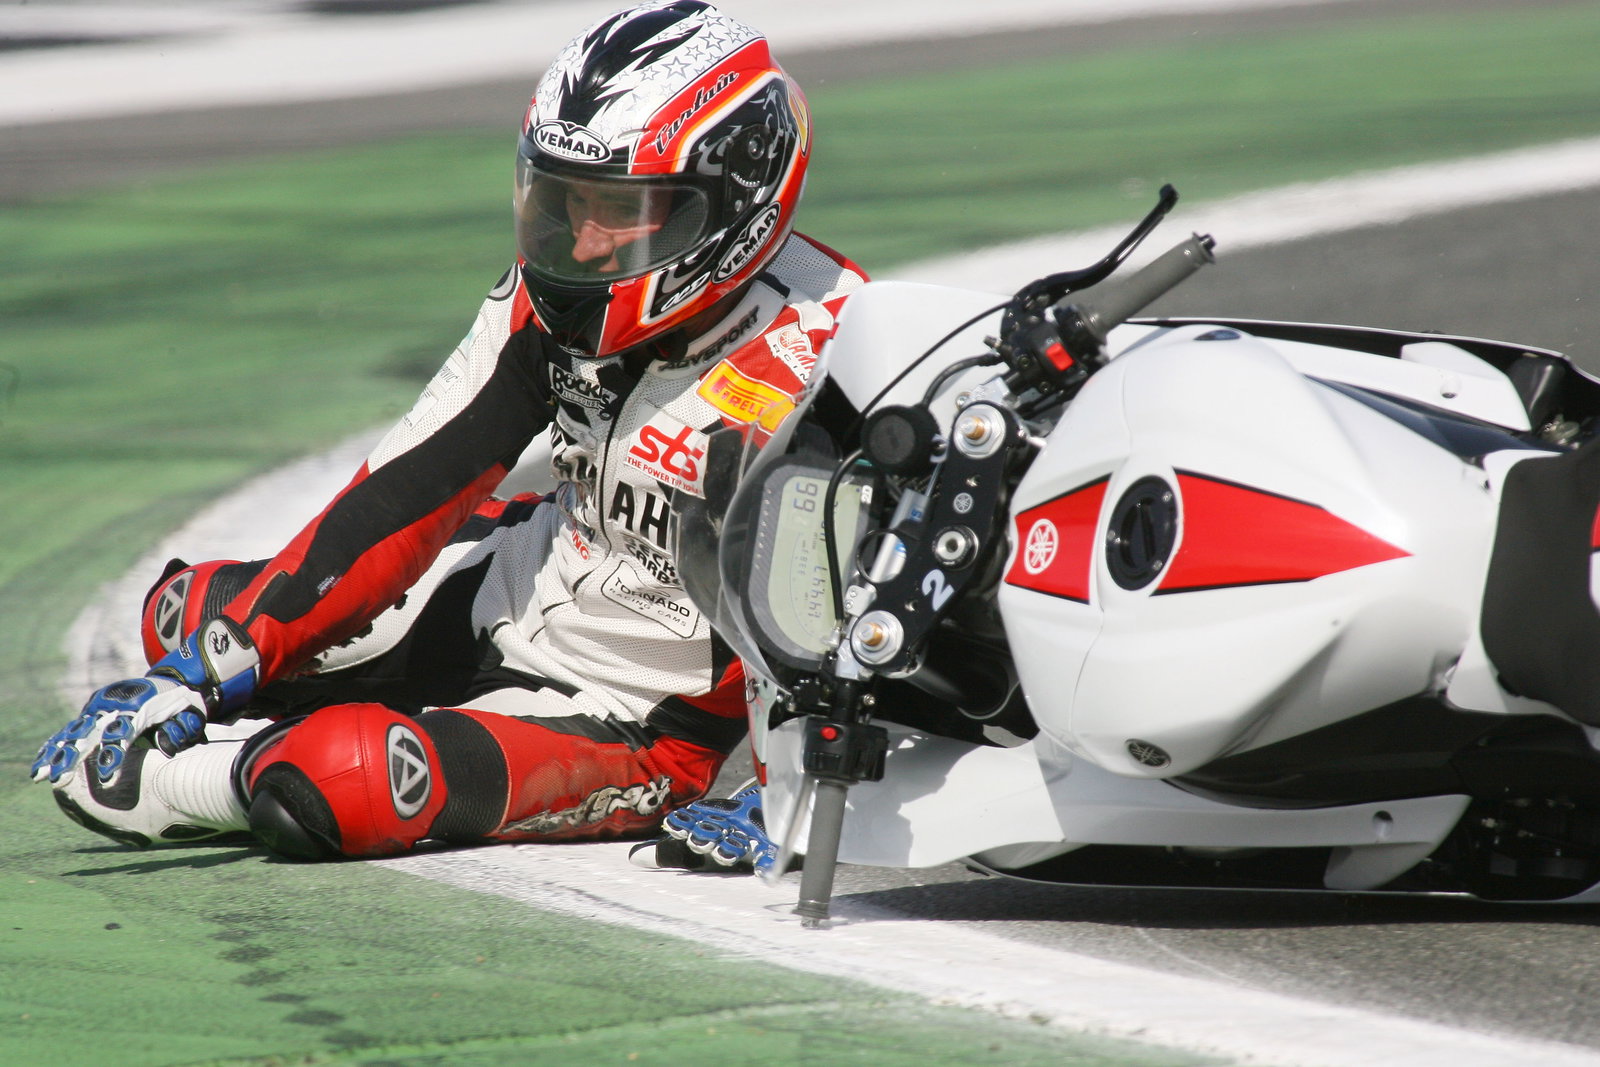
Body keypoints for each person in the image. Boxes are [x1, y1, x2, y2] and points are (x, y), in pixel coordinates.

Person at [31, 0, 864, 865]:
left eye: (620, 209)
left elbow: (850, 616)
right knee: (193, 615)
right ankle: (277, 706)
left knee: (327, 777)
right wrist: (197, 676)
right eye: (564, 200)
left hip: (630, 716)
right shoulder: (554, 299)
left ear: (727, 207)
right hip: (508, 586)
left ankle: (187, 791)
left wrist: (785, 785)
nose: (580, 240)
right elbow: (413, 482)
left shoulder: (839, 349)